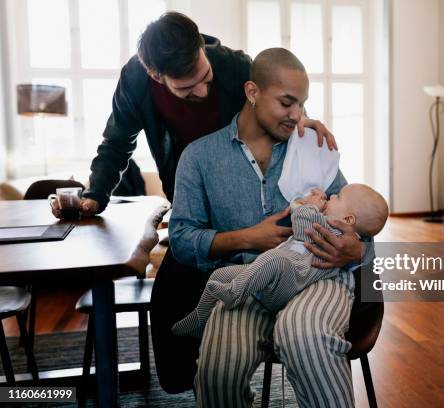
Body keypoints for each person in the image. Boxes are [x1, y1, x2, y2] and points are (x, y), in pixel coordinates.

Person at [169, 48, 367, 407]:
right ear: (252, 92)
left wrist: (358, 250)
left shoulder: (313, 148)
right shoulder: (199, 158)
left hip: (317, 278)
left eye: (302, 104)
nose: (298, 115)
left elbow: (358, 218)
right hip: (246, 283)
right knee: (217, 374)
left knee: (305, 336)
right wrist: (247, 237)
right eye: (287, 103)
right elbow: (181, 239)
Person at [50, 11, 336, 218]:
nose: (201, 91)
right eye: (187, 87)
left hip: (239, 191)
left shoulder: (235, 66)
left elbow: (274, 96)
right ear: (156, 76)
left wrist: (298, 119)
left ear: (201, 46)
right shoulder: (135, 81)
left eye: (206, 78)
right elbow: (116, 143)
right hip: (185, 191)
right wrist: (96, 196)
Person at [171, 185, 388, 339]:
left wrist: (310, 207)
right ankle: (199, 319)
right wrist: (305, 204)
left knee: (274, 259)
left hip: (291, 281)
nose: (331, 196)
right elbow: (300, 213)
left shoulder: (336, 234)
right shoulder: (331, 224)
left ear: (349, 220)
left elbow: (303, 228)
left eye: (337, 197)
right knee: (219, 275)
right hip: (279, 274)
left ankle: (234, 294)